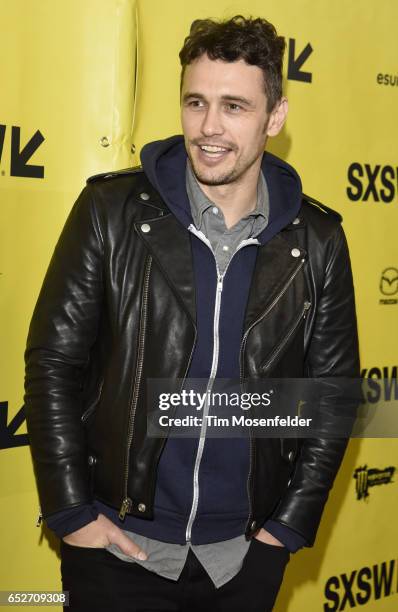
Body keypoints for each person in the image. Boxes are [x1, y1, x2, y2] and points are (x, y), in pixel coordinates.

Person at [24, 15, 359, 612]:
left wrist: (283, 532)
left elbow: (332, 395)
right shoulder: (111, 211)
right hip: (117, 547)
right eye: (196, 102)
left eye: (235, 106)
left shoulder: (319, 239)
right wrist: (72, 512)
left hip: (241, 561)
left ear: (274, 118)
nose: (209, 127)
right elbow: (54, 363)